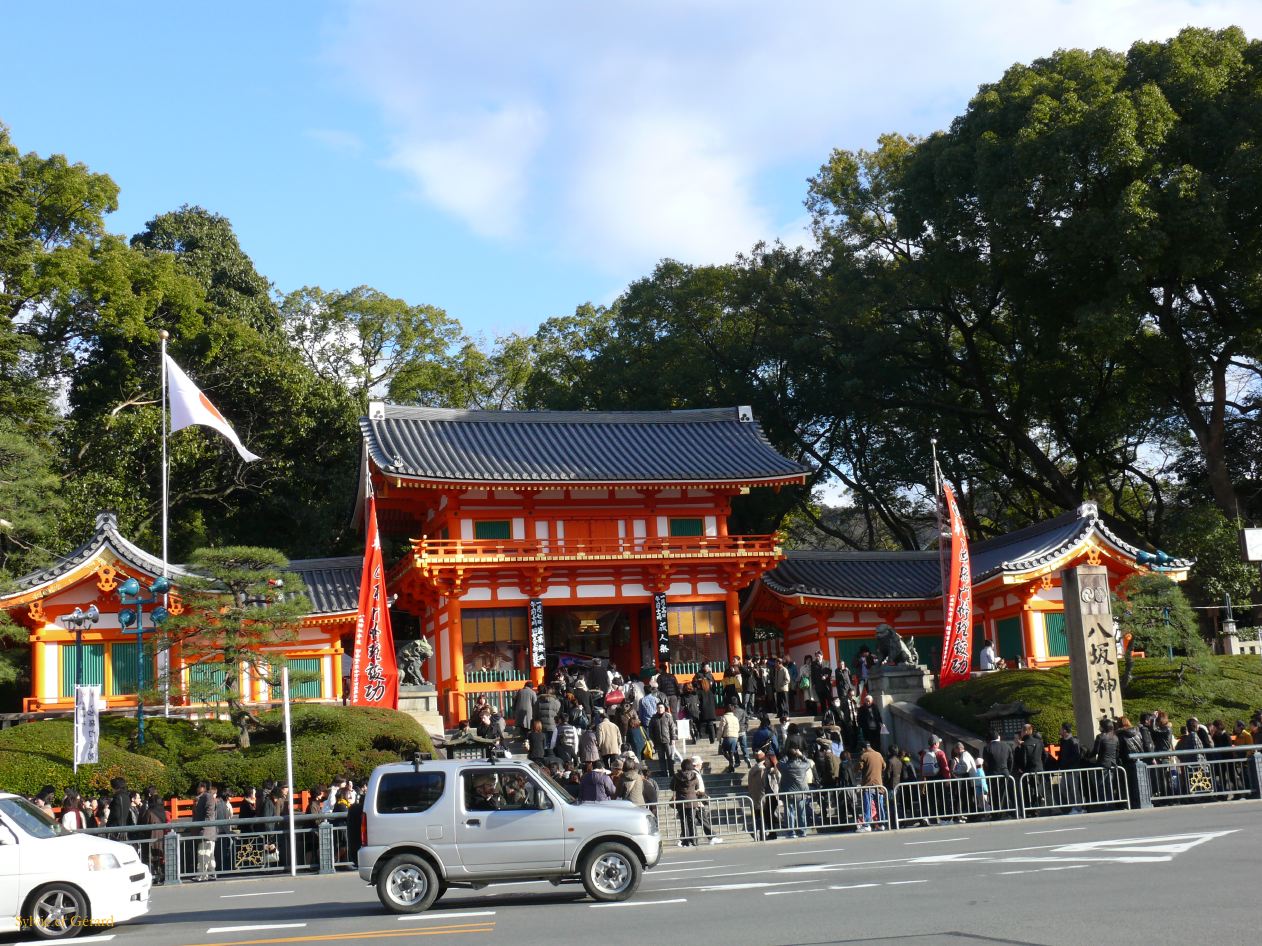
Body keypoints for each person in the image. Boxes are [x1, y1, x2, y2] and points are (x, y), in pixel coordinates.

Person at [778, 748, 811, 838]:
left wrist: (786, 756)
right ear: (796, 756)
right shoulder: (802, 766)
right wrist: (800, 755)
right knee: (801, 813)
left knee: (789, 813)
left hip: (788, 794)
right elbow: (809, 762)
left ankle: (791, 832)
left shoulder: (785, 767)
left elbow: (778, 763)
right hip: (801, 793)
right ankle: (802, 831)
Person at [982, 729, 1014, 817]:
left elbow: (986, 763)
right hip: (1005, 772)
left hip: (992, 773)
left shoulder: (987, 747)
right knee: (1005, 793)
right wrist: (1008, 771)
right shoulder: (1007, 745)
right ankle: (1007, 812)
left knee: (994, 794)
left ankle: (996, 813)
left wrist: (987, 772)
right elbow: (1011, 760)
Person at [858, 741, 886, 830]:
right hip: (879, 785)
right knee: (880, 806)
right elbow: (884, 766)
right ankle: (882, 824)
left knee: (868, 806)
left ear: (863, 749)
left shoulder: (864, 756)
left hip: (868, 785)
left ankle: (867, 825)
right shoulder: (879, 754)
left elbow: (858, 767)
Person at [649, 702, 678, 778]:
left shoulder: (668, 717)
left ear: (664, 708)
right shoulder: (653, 718)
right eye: (658, 707)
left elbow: (672, 728)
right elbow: (651, 731)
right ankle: (664, 773)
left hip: (667, 741)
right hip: (658, 742)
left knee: (670, 757)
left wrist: (673, 739)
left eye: (661, 707)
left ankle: (671, 772)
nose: (660, 709)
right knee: (661, 758)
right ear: (656, 708)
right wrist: (652, 741)